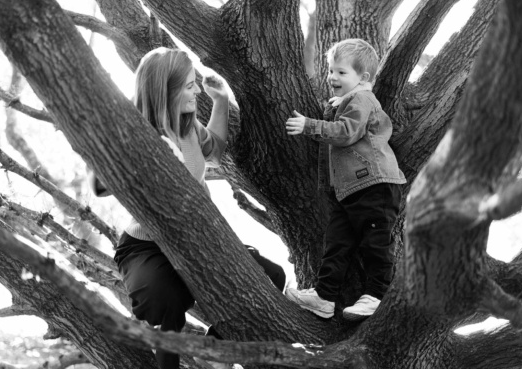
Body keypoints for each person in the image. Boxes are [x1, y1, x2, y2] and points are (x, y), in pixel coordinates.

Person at [91, 47, 285, 369]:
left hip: (201, 240)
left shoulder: (189, 129)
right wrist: (144, 151)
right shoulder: (137, 132)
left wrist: (221, 100)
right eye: (189, 85)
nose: (196, 91)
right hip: (146, 246)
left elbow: (216, 153)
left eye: (196, 84)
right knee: (165, 300)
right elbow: (99, 186)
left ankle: (216, 348)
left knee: (272, 276)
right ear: (164, 88)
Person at [284, 38, 405, 321]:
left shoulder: (362, 99)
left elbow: (347, 132)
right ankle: (325, 296)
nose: (332, 77)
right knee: (337, 242)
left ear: (363, 78)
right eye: (330, 71)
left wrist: (309, 126)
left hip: (375, 185)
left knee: (375, 243)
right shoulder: (350, 100)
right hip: (350, 191)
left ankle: (376, 295)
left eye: (341, 72)